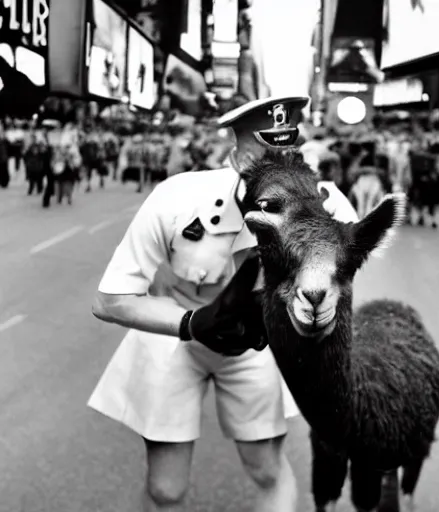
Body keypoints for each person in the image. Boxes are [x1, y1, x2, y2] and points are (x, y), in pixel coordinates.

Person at [88, 95, 358, 512]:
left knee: (268, 470)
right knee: (166, 488)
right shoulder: (177, 197)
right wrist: (192, 322)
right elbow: (110, 300)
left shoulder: (330, 205)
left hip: (257, 343)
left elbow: (339, 292)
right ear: (238, 156)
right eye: (265, 159)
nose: (282, 173)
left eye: (290, 155)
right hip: (176, 332)